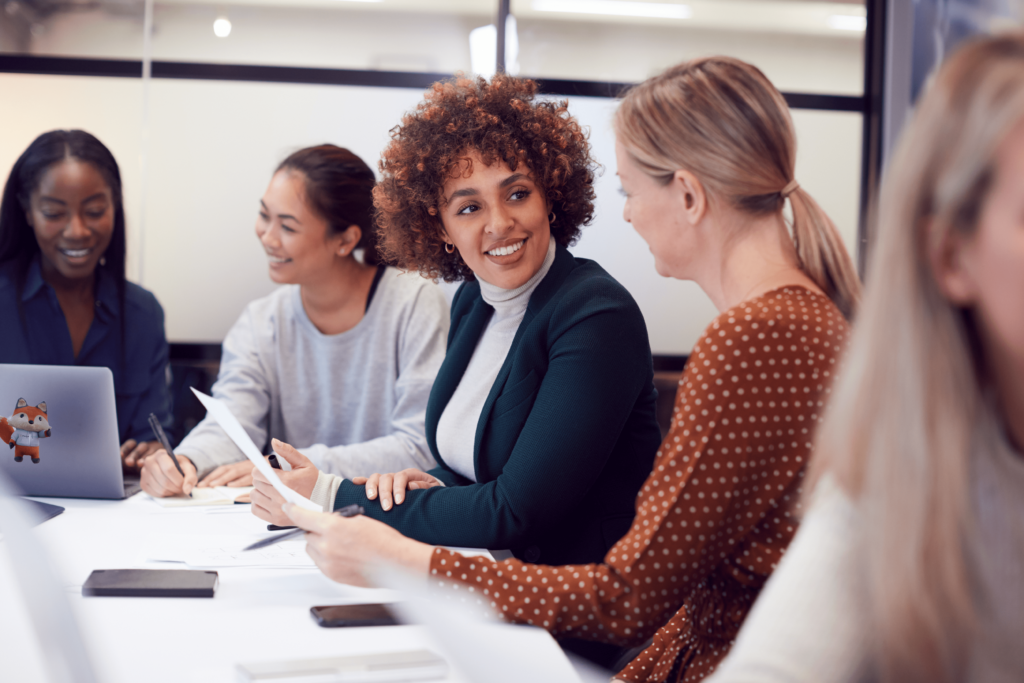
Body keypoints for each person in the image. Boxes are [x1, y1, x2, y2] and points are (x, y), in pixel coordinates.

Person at [271, 57, 861, 683]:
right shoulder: (787, 324)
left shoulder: (752, 338)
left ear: (687, 194)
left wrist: (404, 556)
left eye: (631, 191)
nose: (628, 215)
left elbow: (625, 597)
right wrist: (425, 493)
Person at [703, 33, 1024, 683]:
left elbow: (632, 585)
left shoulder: (760, 329)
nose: (627, 213)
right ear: (952, 258)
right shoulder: (905, 490)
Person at [250, 75, 664, 576]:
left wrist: (334, 493)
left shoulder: (595, 316)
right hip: (477, 575)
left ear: (550, 196)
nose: (498, 223)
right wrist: (421, 483)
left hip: (569, 607)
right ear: (441, 228)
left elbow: (515, 509)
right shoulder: (474, 300)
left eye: (517, 193)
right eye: (468, 207)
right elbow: (474, 465)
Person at [140, 145, 448, 499]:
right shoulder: (260, 321)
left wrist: (291, 466)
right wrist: (186, 460)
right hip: (288, 516)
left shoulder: (414, 302)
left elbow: (418, 446)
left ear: (346, 239)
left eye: (287, 225)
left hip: (381, 512)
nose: (267, 237)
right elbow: (232, 421)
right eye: (264, 215)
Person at [0, 130, 172, 463]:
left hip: (115, 510)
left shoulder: (143, 313)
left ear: (115, 207)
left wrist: (153, 454)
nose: (77, 231)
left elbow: (154, 435)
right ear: (27, 212)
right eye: (53, 213)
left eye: (94, 211)